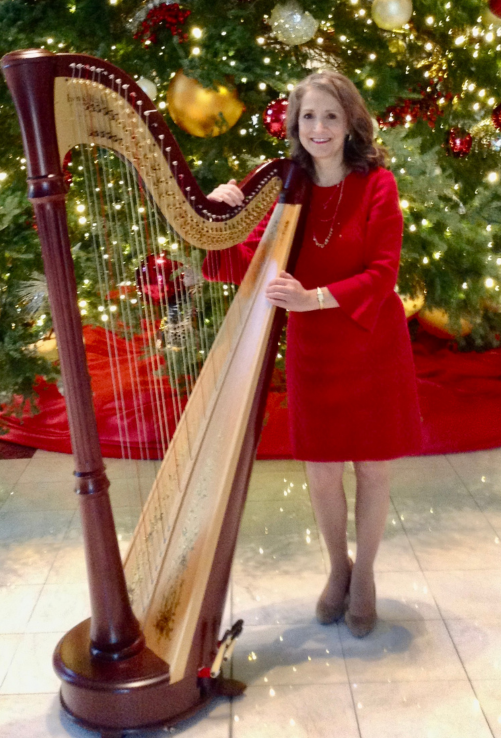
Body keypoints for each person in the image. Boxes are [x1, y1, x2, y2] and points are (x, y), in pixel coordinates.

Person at [204, 71, 423, 638]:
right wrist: (219, 218)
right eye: (308, 117)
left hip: (370, 339)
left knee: (373, 471)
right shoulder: (286, 190)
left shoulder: (378, 184)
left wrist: (312, 297)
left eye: (330, 116)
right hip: (314, 349)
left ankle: (367, 574)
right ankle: (337, 569)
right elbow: (240, 268)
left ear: (350, 122)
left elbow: (382, 274)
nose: (319, 128)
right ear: (293, 126)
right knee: (323, 474)